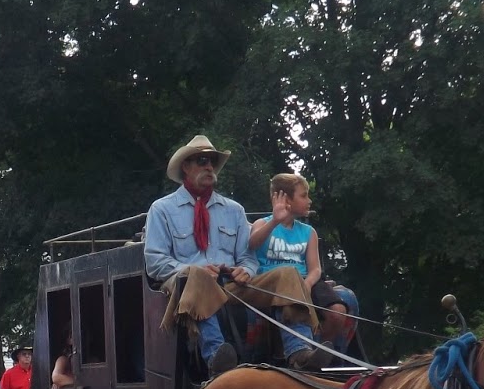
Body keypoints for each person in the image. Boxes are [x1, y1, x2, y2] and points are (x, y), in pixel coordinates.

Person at [144, 134, 326, 373]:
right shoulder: (162, 209)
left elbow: (248, 257)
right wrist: (191, 270)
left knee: (288, 274)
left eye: (212, 161)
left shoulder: (234, 210)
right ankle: (217, 357)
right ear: (186, 166)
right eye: (202, 161)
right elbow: (155, 261)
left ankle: (299, 351)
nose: (209, 167)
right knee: (196, 275)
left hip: (230, 285)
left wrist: (246, 270)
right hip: (187, 287)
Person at [248, 172, 362, 360]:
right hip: (274, 283)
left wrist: (307, 284)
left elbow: (315, 268)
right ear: (286, 199)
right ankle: (299, 352)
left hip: (303, 281)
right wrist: (275, 221)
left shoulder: (309, 232)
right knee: (290, 284)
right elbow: (252, 244)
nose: (309, 201)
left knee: (339, 309)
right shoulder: (263, 224)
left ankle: (324, 355)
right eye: (304, 195)